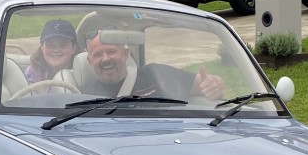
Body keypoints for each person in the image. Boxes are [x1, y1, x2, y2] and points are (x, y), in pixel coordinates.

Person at [73, 29, 225, 100]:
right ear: (89, 61)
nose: (105, 59)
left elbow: (205, 84)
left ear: (125, 54)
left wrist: (214, 86)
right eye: (97, 55)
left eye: (111, 51)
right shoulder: (82, 97)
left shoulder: (158, 74)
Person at [25, 19, 78, 83]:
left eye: (63, 45)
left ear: (73, 48)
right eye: (50, 45)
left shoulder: (81, 73)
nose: (56, 50)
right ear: (42, 48)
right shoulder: (33, 71)